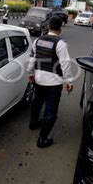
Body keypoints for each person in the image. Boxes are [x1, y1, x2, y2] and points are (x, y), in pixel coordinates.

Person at [27, 17, 74, 148]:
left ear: (48, 27)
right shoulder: (60, 44)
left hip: (39, 78)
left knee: (37, 101)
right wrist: (69, 81)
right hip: (53, 83)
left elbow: (32, 59)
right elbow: (65, 64)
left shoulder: (37, 40)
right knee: (51, 109)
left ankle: (33, 123)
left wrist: (30, 74)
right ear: (60, 29)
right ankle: (42, 139)